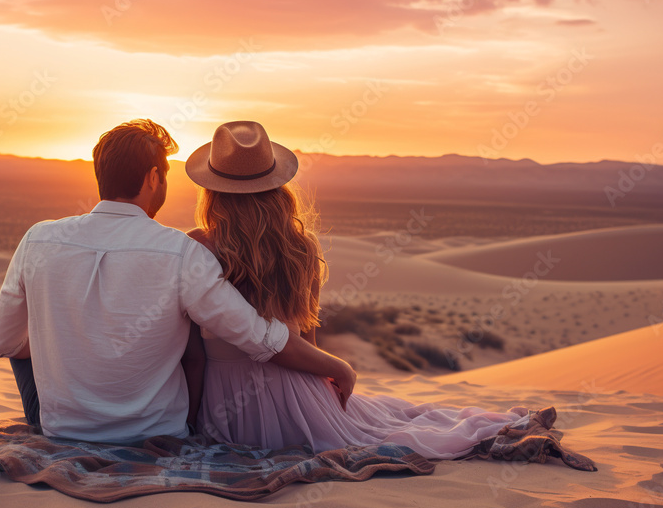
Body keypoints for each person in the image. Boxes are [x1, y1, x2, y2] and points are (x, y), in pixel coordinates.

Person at [0, 119, 356, 444]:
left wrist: (66, 338)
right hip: (155, 435)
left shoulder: (37, 238)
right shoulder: (182, 253)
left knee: (26, 345)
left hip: (60, 430)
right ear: (153, 178)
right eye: (164, 174)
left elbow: (1, 341)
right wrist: (335, 366)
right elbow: (258, 337)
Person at [184, 120, 528, 459]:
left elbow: (195, 358)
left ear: (211, 191)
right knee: (375, 431)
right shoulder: (300, 246)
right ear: (277, 186)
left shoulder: (196, 247)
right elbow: (307, 336)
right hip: (300, 396)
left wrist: (192, 421)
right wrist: (328, 378)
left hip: (226, 403)